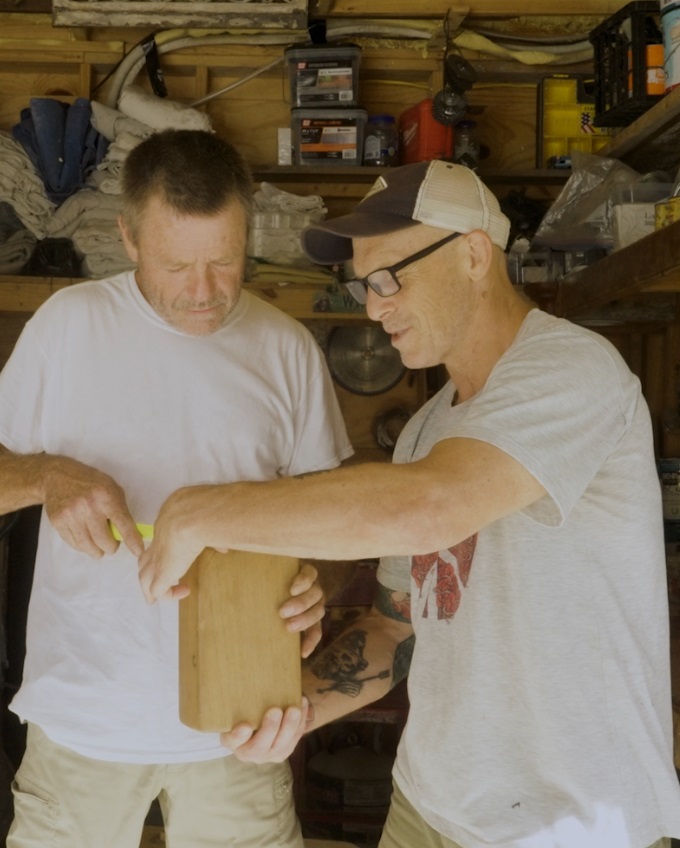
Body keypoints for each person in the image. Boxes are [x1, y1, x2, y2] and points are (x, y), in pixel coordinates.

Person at [138, 159, 680, 848]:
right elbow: (397, 627)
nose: (373, 306)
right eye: (365, 285)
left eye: (391, 277)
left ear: (475, 255)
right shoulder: (426, 428)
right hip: (426, 808)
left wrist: (201, 511)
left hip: (570, 825)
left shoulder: (572, 370)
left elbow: (435, 506)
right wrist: (296, 706)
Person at [0, 128, 354, 848]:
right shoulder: (66, 327)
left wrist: (323, 579)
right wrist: (46, 477)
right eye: (177, 265)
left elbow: (337, 520)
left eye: (225, 261)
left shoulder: (286, 346)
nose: (205, 292)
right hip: (81, 724)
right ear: (127, 238)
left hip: (243, 723)